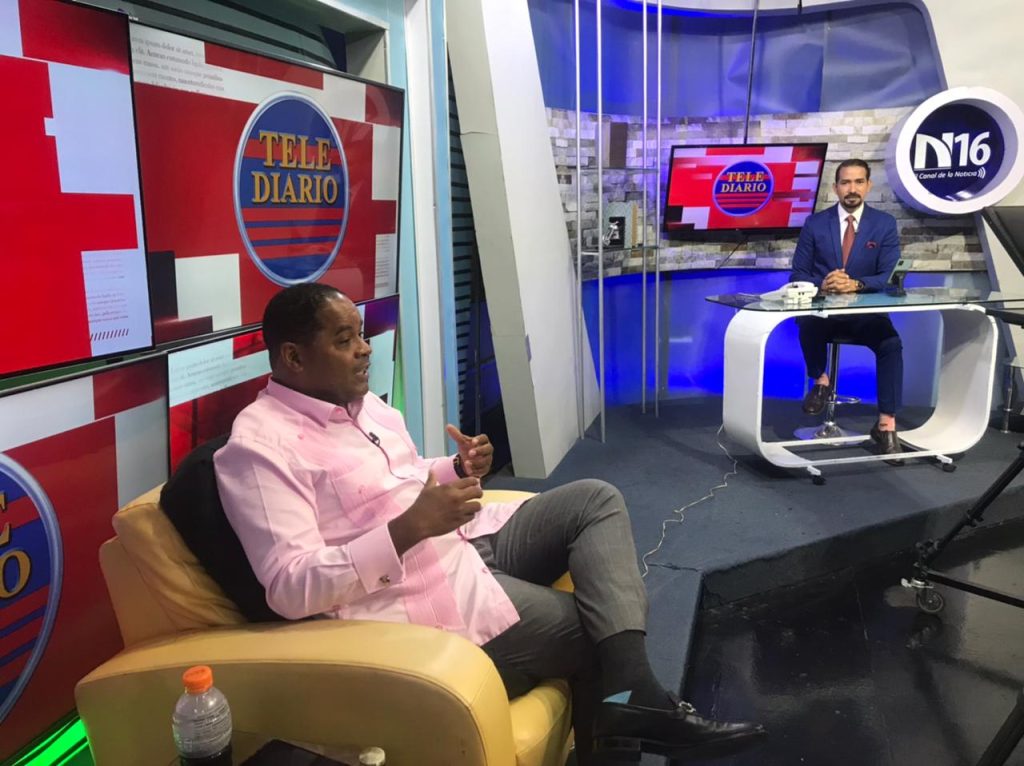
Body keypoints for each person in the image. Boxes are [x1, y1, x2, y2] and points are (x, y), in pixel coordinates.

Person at [214, 283, 765, 764]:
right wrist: (407, 529)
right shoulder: (259, 449)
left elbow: (400, 477)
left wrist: (453, 468)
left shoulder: (365, 406)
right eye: (344, 340)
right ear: (293, 357)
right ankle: (630, 712)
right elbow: (289, 586)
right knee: (596, 631)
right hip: (411, 594)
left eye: (360, 334)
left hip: (465, 540)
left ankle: (632, 699)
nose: (364, 349)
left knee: (594, 499)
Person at [790, 158, 904, 459]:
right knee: (807, 321)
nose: (852, 188)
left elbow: (889, 276)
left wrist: (856, 284)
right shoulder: (815, 223)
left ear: (868, 185)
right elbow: (798, 273)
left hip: (864, 316)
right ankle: (821, 381)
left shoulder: (884, 224)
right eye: (845, 182)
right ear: (836, 187)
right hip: (825, 313)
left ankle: (886, 425)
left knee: (891, 343)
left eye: (858, 182)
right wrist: (825, 283)